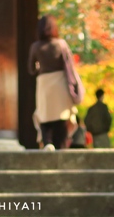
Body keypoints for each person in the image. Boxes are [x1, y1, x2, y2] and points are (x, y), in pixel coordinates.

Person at [28, 16, 84, 151]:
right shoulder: (61, 44)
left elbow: (31, 69)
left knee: (45, 115)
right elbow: (69, 65)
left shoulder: (35, 47)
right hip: (60, 82)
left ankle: (47, 142)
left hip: (44, 83)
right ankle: (61, 144)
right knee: (62, 116)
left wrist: (39, 67)